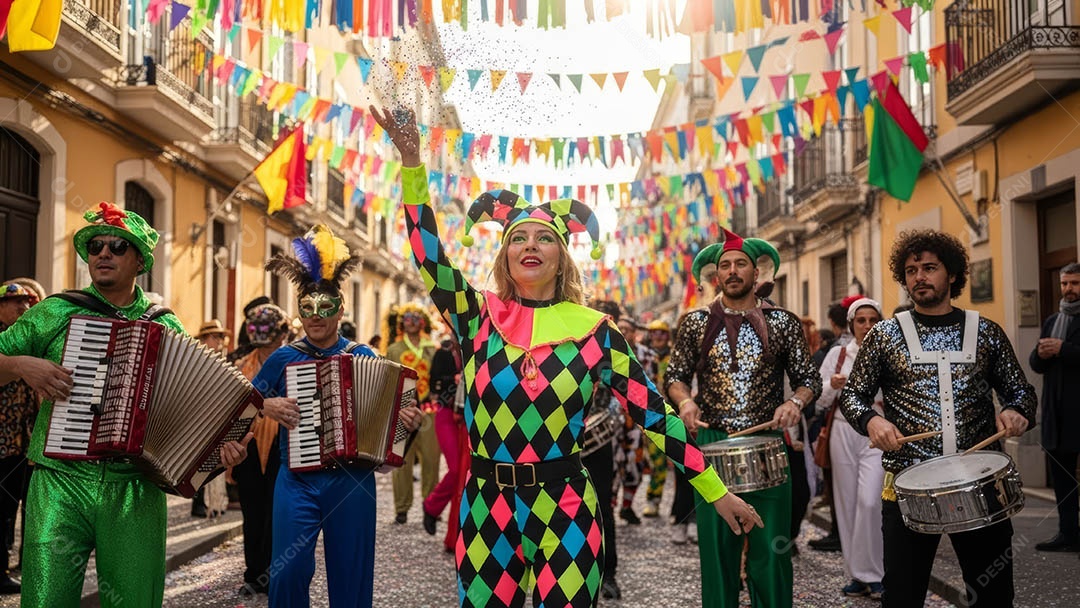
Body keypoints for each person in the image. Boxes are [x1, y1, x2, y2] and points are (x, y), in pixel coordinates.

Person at [374, 105, 761, 608]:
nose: (530, 245)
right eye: (518, 238)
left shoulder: (597, 331)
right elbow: (429, 257)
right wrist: (412, 164)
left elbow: (654, 415)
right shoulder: (476, 316)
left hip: (567, 506)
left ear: (561, 257)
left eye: (544, 238)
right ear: (505, 256)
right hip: (487, 506)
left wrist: (716, 491)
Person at [0, 202, 250, 607]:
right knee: (45, 600)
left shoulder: (164, 325)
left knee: (134, 601)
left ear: (140, 261)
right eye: (95, 246)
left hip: (136, 487)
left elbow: (190, 410)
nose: (103, 253)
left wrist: (218, 452)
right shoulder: (55, 312)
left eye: (117, 246)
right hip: (59, 482)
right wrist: (19, 365)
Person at [840, 229, 1037, 607]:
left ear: (952, 274)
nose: (919, 277)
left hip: (979, 484)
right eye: (911, 270)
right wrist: (872, 421)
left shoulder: (987, 332)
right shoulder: (884, 335)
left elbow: (1021, 392)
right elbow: (853, 395)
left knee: (994, 596)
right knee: (902, 596)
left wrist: (1016, 411)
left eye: (929, 268)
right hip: (908, 485)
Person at [254, 224, 423, 606]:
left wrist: (407, 423)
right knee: (287, 572)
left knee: (351, 574)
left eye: (325, 307)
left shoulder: (363, 356)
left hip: (352, 480)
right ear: (299, 311)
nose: (315, 316)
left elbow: (394, 418)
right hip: (296, 480)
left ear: (341, 309)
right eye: (307, 307)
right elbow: (241, 402)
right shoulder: (283, 357)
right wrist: (266, 405)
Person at [665, 227, 821, 608]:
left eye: (740, 264)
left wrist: (795, 403)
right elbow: (675, 377)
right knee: (717, 554)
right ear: (716, 275)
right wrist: (685, 403)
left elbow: (809, 379)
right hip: (712, 445)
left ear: (756, 272)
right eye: (725, 265)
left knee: (771, 552)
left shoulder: (783, 323)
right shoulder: (695, 323)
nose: (733, 271)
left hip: (768, 445)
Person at [816, 298, 886, 597]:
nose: (867, 326)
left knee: (870, 501)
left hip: (876, 432)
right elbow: (818, 399)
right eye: (861, 320)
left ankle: (876, 572)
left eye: (873, 320)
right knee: (846, 504)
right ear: (851, 324)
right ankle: (857, 573)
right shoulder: (838, 354)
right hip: (843, 430)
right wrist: (831, 385)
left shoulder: (888, 352)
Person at [232, 304, 290, 595]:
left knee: (278, 512)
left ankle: (274, 573)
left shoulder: (295, 363)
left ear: (282, 333)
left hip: (285, 444)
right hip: (250, 445)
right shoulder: (241, 366)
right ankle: (254, 574)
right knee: (252, 512)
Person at [1030, 262, 1080, 552]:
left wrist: (1065, 350)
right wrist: (1040, 353)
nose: (1068, 289)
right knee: (1063, 480)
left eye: (1074, 283)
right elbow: (1036, 365)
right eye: (1064, 283)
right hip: (1056, 415)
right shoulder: (1052, 320)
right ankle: (1068, 534)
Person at [0, 281, 40, 593]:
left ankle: (7, 566)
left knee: (11, 509)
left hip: (21, 444)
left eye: (27, 302)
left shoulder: (26, 340)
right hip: (3, 443)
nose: (24, 307)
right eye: (17, 302)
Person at [386, 302, 440, 525]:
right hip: (402, 412)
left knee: (432, 459)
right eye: (407, 317)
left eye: (416, 318)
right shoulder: (394, 349)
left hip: (430, 411)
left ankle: (430, 504)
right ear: (401, 322)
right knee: (401, 461)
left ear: (423, 322)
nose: (411, 321)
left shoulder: (433, 348)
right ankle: (401, 507)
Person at [422, 334, 467, 549]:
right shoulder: (443, 353)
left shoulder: (476, 349)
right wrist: (456, 379)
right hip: (446, 415)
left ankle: (455, 536)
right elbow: (434, 383)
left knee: (465, 476)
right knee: (456, 469)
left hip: (468, 419)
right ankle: (431, 506)